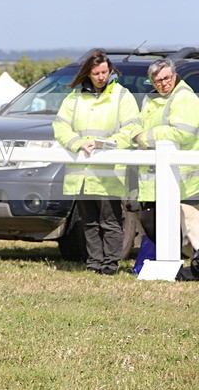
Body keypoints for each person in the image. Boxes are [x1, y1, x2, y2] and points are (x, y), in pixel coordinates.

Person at [52, 49, 142, 275]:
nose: (102, 77)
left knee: (110, 221)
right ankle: (94, 263)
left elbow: (132, 128)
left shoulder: (122, 96)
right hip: (81, 172)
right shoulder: (74, 97)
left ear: (110, 70)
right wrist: (77, 143)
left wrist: (107, 143)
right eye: (96, 73)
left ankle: (110, 265)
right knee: (89, 222)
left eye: (105, 72)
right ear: (88, 74)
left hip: (108, 173)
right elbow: (60, 127)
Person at [134, 59, 199, 252]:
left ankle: (180, 264)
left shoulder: (185, 98)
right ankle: (177, 261)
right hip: (153, 179)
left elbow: (182, 132)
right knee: (150, 220)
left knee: (189, 226)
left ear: (175, 75)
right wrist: (135, 135)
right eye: (157, 81)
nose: (163, 83)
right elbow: (139, 123)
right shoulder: (149, 99)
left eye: (167, 78)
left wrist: (145, 137)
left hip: (183, 181)